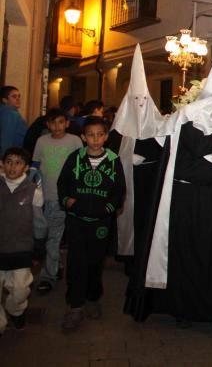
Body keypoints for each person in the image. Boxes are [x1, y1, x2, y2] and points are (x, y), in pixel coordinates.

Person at [132, 26, 212, 333]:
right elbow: (184, 167)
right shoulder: (185, 122)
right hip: (186, 200)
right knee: (185, 254)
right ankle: (184, 309)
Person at [57, 116, 125, 330]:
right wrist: (68, 202)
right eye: (90, 135)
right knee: (76, 262)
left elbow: (119, 191)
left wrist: (107, 209)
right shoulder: (74, 158)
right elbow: (63, 184)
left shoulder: (114, 160)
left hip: (101, 224)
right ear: (83, 137)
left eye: (99, 135)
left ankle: (92, 298)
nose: (95, 139)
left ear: (105, 137)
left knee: (95, 262)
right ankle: (75, 305)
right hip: (77, 221)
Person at [110, 45, 165, 274]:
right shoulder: (118, 130)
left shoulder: (158, 125)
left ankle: (146, 258)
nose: (140, 103)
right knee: (128, 220)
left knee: (148, 220)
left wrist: (149, 160)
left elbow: (165, 152)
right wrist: (125, 158)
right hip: (127, 182)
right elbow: (109, 155)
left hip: (150, 182)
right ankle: (129, 259)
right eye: (136, 98)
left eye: (144, 98)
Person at [31, 109, 83, 294]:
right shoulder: (42, 141)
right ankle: (52, 271)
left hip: (69, 196)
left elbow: (82, 165)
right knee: (52, 237)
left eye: (61, 122)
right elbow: (35, 165)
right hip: (49, 197)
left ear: (67, 123)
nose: (57, 126)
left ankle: (51, 273)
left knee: (56, 238)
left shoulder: (75, 141)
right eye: (53, 123)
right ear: (47, 125)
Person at [0, 147, 42, 335]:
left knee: (19, 290)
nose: (12, 167)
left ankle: (16, 311)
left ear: (26, 167)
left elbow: (40, 223)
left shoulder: (34, 192)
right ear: (2, 164)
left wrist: (39, 248)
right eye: (8, 161)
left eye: (18, 163)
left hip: (21, 249)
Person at [0, 86, 27, 156]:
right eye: (14, 97)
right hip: (13, 154)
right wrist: (5, 158)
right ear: (5, 100)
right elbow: (6, 138)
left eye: (19, 96)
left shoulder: (6, 111)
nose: (18, 99)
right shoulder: (10, 113)